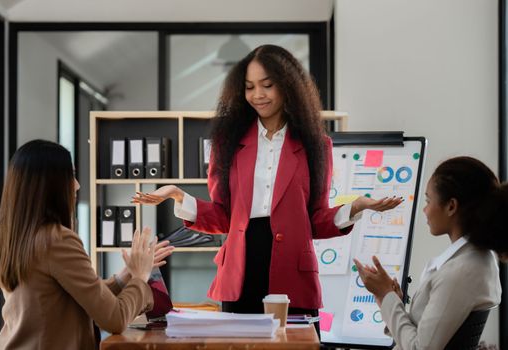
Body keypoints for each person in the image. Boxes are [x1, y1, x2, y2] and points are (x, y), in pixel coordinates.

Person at [133, 44, 401, 320]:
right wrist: (179, 196)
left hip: (292, 275)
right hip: (241, 271)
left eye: (267, 85)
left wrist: (355, 207)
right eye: (249, 87)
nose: (257, 95)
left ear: (288, 86)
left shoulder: (316, 146)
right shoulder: (227, 143)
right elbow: (224, 217)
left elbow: (316, 220)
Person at [0, 140, 174, 350]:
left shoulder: (7, 238)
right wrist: (140, 278)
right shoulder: (57, 240)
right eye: (70, 176)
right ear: (50, 185)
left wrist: (127, 274)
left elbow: (76, 296)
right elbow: (115, 319)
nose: (77, 185)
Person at [354, 156, 507, 349]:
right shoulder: (474, 259)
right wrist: (390, 300)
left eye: (428, 200)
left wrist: (387, 296)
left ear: (451, 206)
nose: (425, 210)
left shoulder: (463, 270)